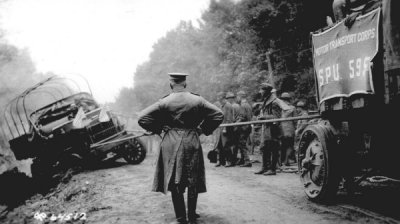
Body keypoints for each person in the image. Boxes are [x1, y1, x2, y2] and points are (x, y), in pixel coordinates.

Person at [137, 72, 223, 224]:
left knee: (174, 179)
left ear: (171, 84)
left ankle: (181, 218)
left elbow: (142, 117)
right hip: (191, 140)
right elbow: (218, 114)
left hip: (171, 141)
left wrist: (159, 128)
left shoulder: (164, 102)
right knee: (193, 177)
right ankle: (191, 215)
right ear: (185, 84)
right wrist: (203, 129)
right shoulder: (197, 100)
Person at [254, 83, 289, 176]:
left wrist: (263, 117)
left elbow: (276, 117)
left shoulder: (274, 102)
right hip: (267, 128)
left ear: (266, 91)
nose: (260, 92)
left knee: (274, 149)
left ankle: (272, 169)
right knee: (264, 148)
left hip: (274, 129)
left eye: (262, 90)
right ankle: (264, 167)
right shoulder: (266, 100)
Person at [214, 92, 234, 167]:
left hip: (226, 128)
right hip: (220, 127)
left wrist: (225, 128)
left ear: (222, 98)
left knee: (226, 145)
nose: (217, 99)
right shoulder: (221, 105)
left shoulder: (228, 105)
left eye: (219, 97)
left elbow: (229, 118)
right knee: (219, 145)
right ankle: (221, 161)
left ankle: (229, 161)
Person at [234, 90, 253, 167]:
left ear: (240, 96)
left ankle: (247, 161)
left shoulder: (243, 105)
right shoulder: (248, 105)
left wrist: (235, 124)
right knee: (242, 143)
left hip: (244, 127)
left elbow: (242, 117)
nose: (237, 98)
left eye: (237, 96)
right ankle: (242, 160)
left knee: (242, 144)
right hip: (248, 127)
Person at [279, 92, 296, 166]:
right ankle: (286, 160)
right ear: (289, 99)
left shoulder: (279, 108)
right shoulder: (292, 108)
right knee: (290, 145)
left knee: (282, 145)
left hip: (281, 129)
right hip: (290, 129)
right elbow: (295, 120)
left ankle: (280, 161)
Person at [225, 91, 241, 167]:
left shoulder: (232, 106)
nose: (228, 100)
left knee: (228, 144)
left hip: (233, 127)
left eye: (228, 99)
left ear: (231, 99)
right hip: (237, 127)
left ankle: (232, 161)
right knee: (235, 144)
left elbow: (233, 118)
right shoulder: (237, 105)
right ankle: (234, 160)